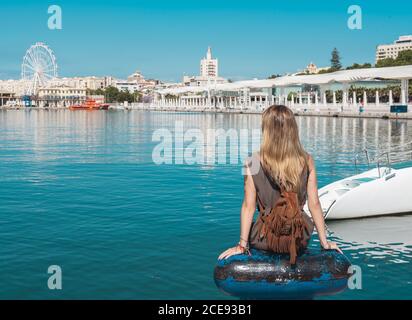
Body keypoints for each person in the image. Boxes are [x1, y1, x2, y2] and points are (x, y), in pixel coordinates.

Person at [219, 105, 342, 261]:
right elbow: (314, 204)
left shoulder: (251, 162)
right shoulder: (306, 160)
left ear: (266, 130)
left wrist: (242, 245)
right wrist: (324, 243)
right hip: (297, 240)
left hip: (263, 240)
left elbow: (248, 206)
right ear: (292, 129)